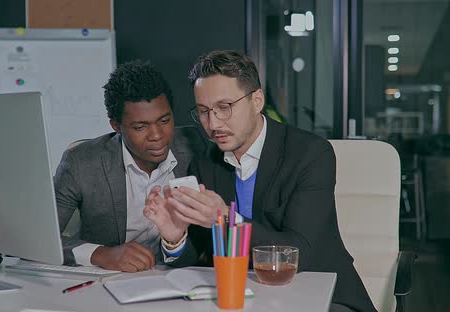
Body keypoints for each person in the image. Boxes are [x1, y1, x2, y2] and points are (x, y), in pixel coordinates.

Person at [144, 50, 376, 312]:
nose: (213, 123)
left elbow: (297, 252)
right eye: (204, 111)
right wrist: (175, 238)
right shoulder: (206, 163)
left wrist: (225, 217)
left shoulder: (311, 154)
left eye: (224, 107)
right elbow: (198, 256)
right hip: (246, 299)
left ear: (256, 100)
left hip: (325, 298)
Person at [54, 60, 206, 272]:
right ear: (116, 126)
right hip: (105, 284)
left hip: (174, 281)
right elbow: (38, 240)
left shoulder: (196, 146)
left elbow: (203, 244)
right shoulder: (81, 162)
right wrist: (100, 254)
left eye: (164, 121)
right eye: (140, 127)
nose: (157, 136)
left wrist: (174, 246)